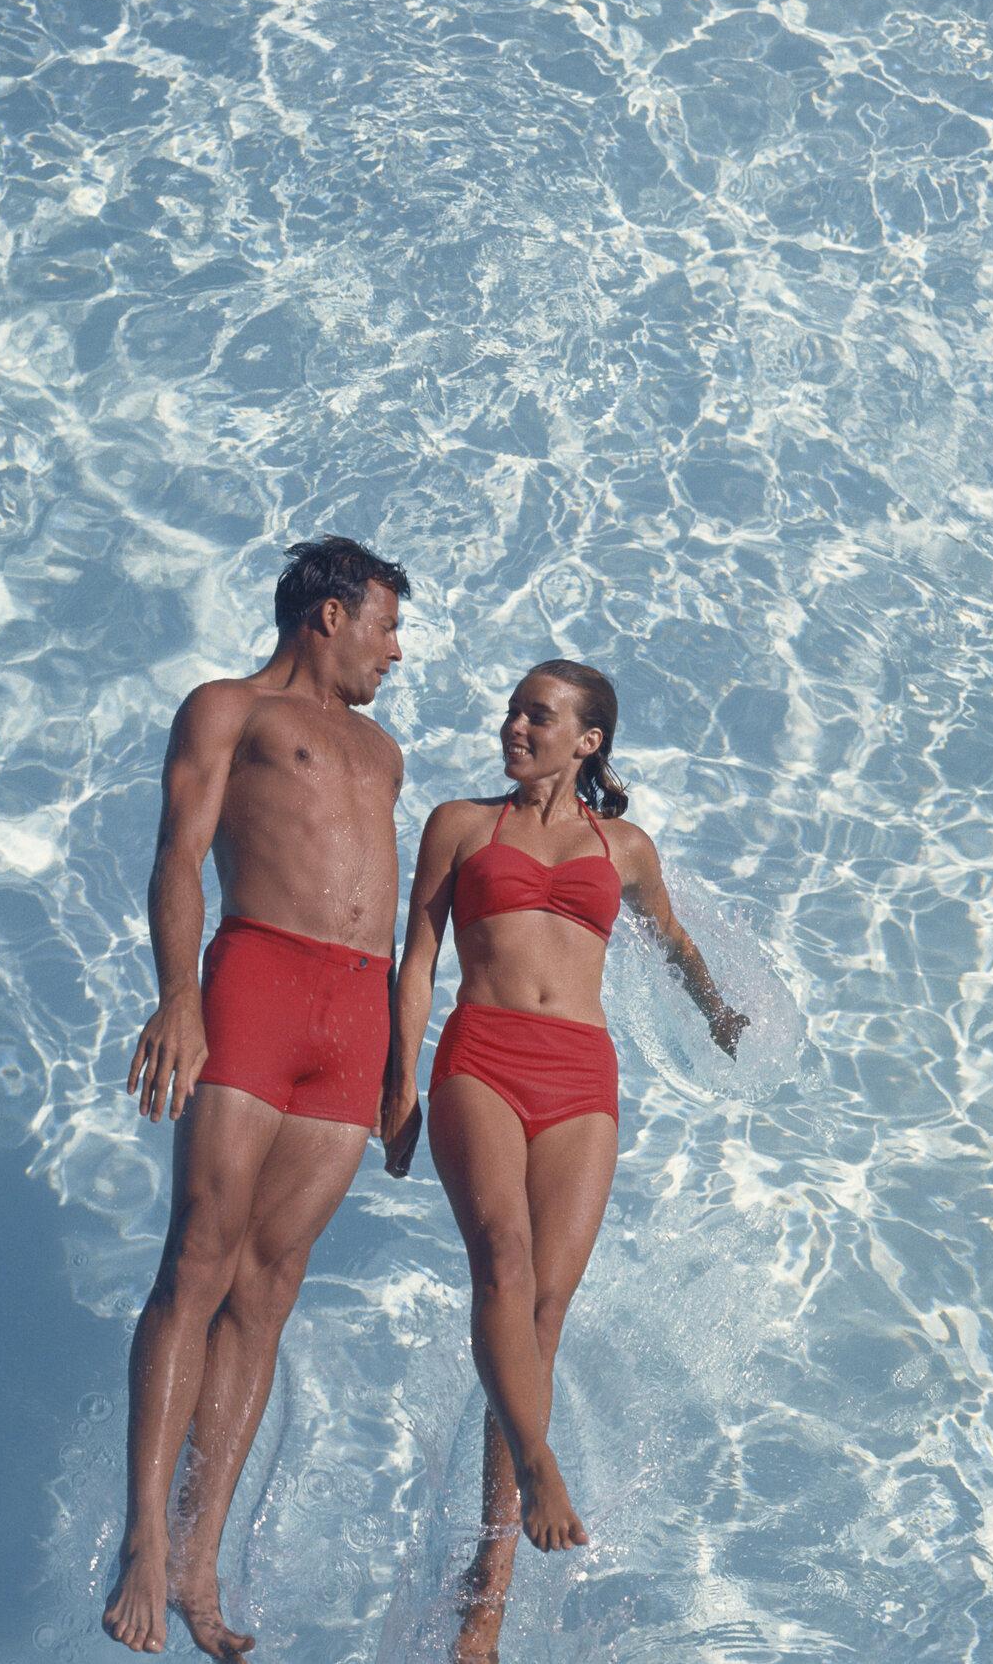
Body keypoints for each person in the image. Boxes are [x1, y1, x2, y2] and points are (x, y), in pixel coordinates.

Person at [381, 658, 747, 1662]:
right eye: (513, 711)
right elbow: (414, 959)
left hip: (582, 1076)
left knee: (543, 1311)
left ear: (587, 741)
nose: (515, 725)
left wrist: (717, 1011)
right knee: (501, 1255)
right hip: (483, 1059)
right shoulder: (461, 825)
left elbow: (668, 940)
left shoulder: (622, 846)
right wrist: (398, 1087)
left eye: (537, 715)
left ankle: (486, 1591)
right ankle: (539, 1468)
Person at [102, 536, 411, 1659]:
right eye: (384, 624)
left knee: (271, 1287)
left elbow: (393, 913)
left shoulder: (382, 752)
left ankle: (197, 1558)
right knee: (199, 1257)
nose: (395, 649)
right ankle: (141, 1536)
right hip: (258, 983)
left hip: (354, 1017)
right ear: (327, 615)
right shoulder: (224, 709)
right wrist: (177, 999)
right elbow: (178, 856)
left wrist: (397, 1062)